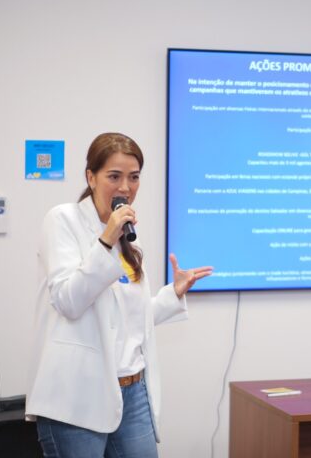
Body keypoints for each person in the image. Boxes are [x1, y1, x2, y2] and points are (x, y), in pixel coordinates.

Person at [25, 132, 212, 457]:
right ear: (91, 177)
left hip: (132, 391)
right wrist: (106, 239)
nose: (125, 187)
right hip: (77, 394)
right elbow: (69, 301)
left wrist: (172, 294)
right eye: (114, 176)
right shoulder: (63, 220)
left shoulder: (129, 239)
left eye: (134, 177)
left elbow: (124, 318)